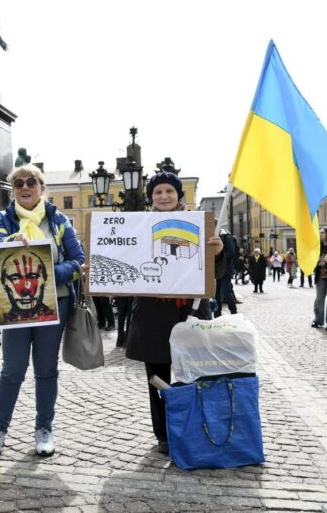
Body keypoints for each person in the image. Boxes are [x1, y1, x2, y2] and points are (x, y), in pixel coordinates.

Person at [0, 163, 84, 459]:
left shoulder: (59, 220)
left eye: (31, 182)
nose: (25, 187)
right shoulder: (2, 218)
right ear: (13, 190)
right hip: (14, 307)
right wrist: (12, 241)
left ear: (42, 187)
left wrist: (47, 272)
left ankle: (44, 428)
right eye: (19, 184)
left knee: (46, 371)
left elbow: (78, 260)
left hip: (54, 305)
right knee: (12, 370)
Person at [125, 171, 225, 454]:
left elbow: (217, 274)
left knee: (193, 375)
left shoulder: (201, 225)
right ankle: (164, 435)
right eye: (157, 192)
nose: (163, 196)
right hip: (152, 316)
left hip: (190, 312)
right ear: (151, 197)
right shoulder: (138, 227)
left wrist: (217, 254)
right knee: (157, 378)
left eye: (169, 191)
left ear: (179, 195)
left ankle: (193, 428)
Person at [214, 229, 237, 317]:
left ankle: (234, 313)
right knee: (216, 294)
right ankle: (217, 315)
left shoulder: (226, 237)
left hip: (225, 270)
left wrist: (219, 257)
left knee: (226, 292)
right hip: (215, 270)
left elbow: (231, 253)